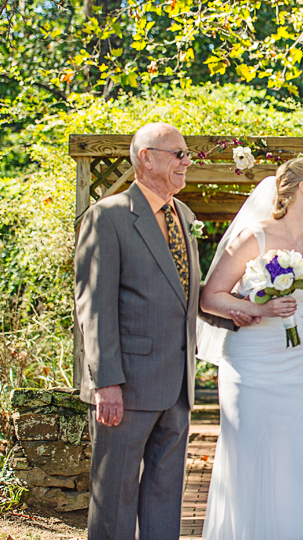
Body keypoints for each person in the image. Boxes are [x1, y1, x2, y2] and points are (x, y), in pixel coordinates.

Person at [198, 157, 303, 540]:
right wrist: (254, 308)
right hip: (251, 366)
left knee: (297, 460)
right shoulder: (254, 236)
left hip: (301, 366)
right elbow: (210, 297)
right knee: (251, 459)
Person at [76, 123, 214, 539]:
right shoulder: (109, 215)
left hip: (177, 383)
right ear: (146, 157)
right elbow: (94, 304)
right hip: (127, 384)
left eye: (187, 154)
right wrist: (107, 383)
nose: (186, 162)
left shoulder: (184, 215)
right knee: (114, 498)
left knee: (165, 496)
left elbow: (187, 294)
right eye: (178, 154)